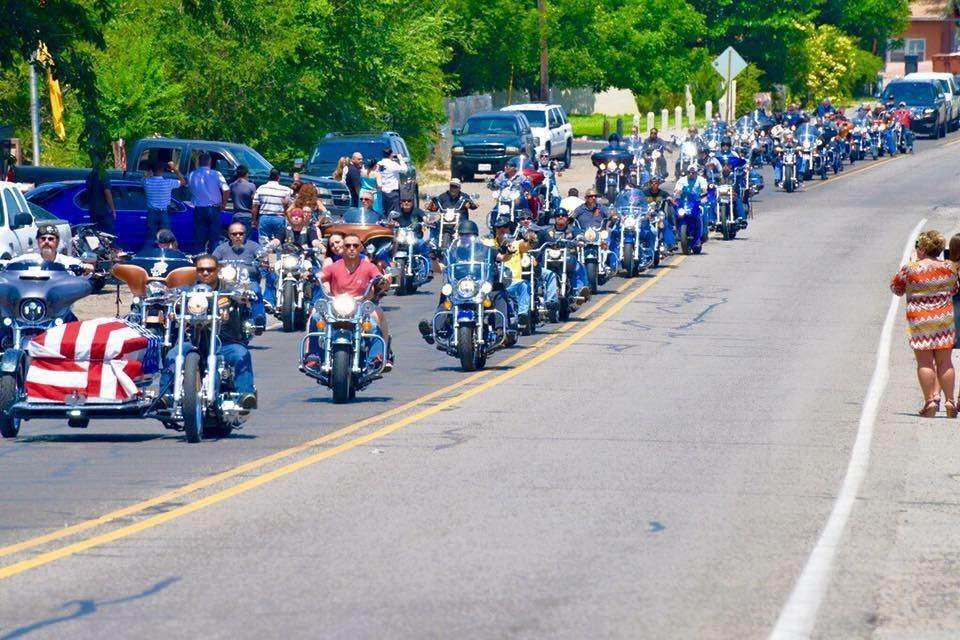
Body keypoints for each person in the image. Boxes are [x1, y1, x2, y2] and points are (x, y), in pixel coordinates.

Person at [161, 254, 257, 409]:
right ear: (196, 271)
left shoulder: (228, 290)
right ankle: (165, 397)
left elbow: (244, 292)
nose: (205, 273)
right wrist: (164, 294)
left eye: (210, 269)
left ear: (217, 270)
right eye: (201, 270)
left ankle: (245, 395)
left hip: (224, 343)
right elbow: (169, 294)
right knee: (173, 355)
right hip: (192, 343)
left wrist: (243, 294)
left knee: (241, 354)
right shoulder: (187, 291)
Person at [891, 230, 958, 417]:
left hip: (919, 321)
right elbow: (954, 289)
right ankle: (950, 401)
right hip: (943, 320)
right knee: (945, 362)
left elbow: (896, 288)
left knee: (924, 362)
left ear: (922, 248)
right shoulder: (949, 268)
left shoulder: (911, 269)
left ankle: (930, 401)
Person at [316, 232, 394, 370]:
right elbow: (321, 275)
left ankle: (377, 357)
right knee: (315, 317)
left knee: (373, 321)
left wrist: (383, 280)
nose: (351, 248)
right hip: (337, 306)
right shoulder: (335, 266)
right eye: (348, 245)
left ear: (360, 248)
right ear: (343, 249)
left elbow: (378, 277)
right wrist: (311, 276)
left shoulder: (368, 266)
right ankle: (312, 356)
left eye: (355, 245)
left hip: (360, 305)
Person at [212, 222, 267, 333]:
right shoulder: (221, 248)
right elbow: (212, 260)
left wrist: (265, 260)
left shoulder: (253, 246)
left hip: (248, 281)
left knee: (256, 290)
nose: (238, 236)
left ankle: (259, 318)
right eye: (234, 234)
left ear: (245, 234)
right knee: (217, 294)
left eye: (241, 233)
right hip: (227, 282)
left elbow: (263, 255)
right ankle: (216, 319)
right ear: (229, 235)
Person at [187, 153, 229, 253]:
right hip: (213, 209)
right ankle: (214, 260)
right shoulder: (216, 174)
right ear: (210, 162)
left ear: (199, 162)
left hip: (198, 209)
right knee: (214, 238)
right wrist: (223, 204)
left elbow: (189, 188)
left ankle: (199, 261)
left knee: (199, 239)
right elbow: (226, 190)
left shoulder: (192, 174)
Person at [143, 160, 186, 250]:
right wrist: (175, 169)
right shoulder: (168, 182)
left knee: (150, 238)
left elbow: (144, 177)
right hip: (164, 213)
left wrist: (148, 172)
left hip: (152, 213)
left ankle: (147, 255)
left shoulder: (146, 182)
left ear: (152, 171)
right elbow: (183, 182)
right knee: (166, 238)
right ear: (162, 171)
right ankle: (166, 256)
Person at [10, 224, 88, 272]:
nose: (46, 242)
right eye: (43, 239)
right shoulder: (28, 259)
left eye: (51, 239)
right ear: (37, 241)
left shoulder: (68, 262)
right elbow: (8, 263)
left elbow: (86, 269)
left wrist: (86, 267)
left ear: (57, 242)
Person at [643, 177, 677, 250]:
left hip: (658, 214)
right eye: (652, 183)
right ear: (650, 184)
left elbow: (670, 197)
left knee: (665, 224)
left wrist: (670, 199)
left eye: (655, 183)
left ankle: (670, 243)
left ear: (658, 184)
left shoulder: (662, 193)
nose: (653, 185)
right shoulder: (645, 192)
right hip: (647, 214)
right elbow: (638, 198)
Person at [85, 167, 116, 234]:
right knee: (108, 237)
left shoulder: (90, 175)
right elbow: (107, 192)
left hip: (92, 211)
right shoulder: (103, 174)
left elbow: (87, 193)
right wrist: (113, 209)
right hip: (103, 212)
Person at [229, 165, 258, 236]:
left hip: (236, 215)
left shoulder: (232, 186)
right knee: (246, 239)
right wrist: (255, 219)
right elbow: (254, 203)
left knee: (236, 238)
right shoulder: (251, 186)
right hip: (247, 216)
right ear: (246, 174)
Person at [377, 148, 407, 216]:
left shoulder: (379, 164)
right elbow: (405, 169)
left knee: (384, 212)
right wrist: (401, 159)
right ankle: (393, 226)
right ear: (391, 155)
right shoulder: (392, 164)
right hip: (392, 192)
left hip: (382, 192)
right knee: (393, 213)